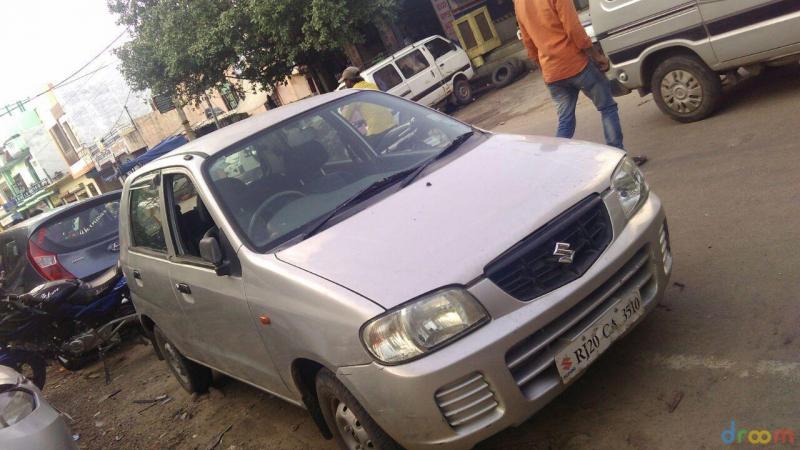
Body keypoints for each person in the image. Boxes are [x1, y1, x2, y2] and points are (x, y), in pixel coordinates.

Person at [515, 0, 647, 164]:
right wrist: (596, 55)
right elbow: (573, 28)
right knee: (607, 108)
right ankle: (618, 162)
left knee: (565, 121)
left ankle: (554, 166)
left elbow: (528, 43)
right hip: (576, 65)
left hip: (552, 73)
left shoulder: (519, 3)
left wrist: (544, 68)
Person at [338, 66, 396, 137]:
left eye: (345, 81)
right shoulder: (372, 86)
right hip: (391, 123)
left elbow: (345, 117)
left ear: (349, 81)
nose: (345, 84)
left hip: (377, 130)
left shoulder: (354, 93)